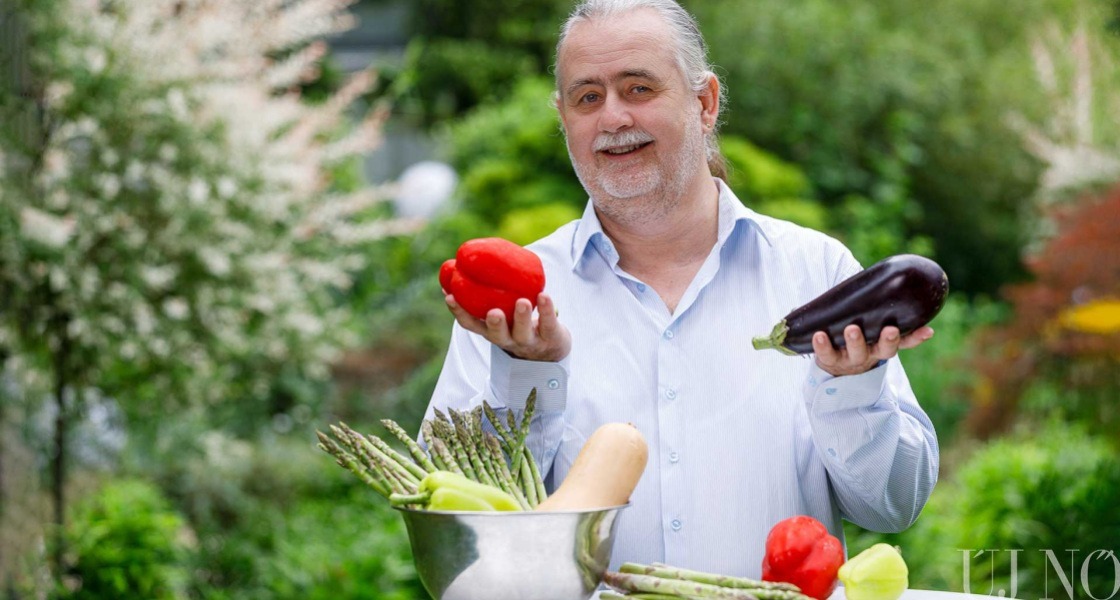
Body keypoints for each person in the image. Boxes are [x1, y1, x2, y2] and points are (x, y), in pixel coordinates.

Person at [424, 0, 939, 577]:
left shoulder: (818, 272)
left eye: (638, 88)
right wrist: (525, 373)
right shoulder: (510, 309)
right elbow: (455, 527)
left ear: (705, 102)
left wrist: (853, 390)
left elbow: (895, 506)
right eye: (587, 97)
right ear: (563, 117)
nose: (613, 118)